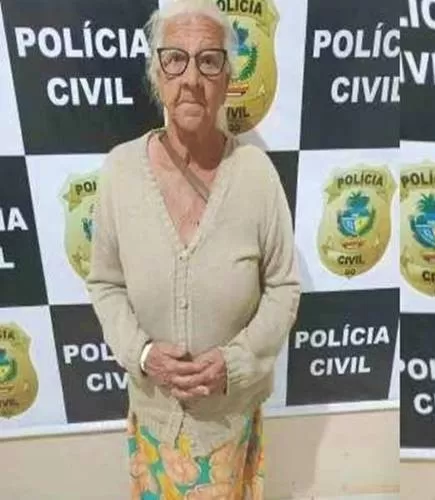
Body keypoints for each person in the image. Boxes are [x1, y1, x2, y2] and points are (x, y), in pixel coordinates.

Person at [86, 0, 300, 498]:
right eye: (175, 59)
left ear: (227, 79)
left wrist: (234, 362)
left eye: (209, 61)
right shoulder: (119, 172)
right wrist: (142, 354)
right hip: (154, 420)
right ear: (156, 75)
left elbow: (284, 288)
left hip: (229, 421)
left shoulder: (257, 175)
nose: (191, 78)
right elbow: (105, 283)